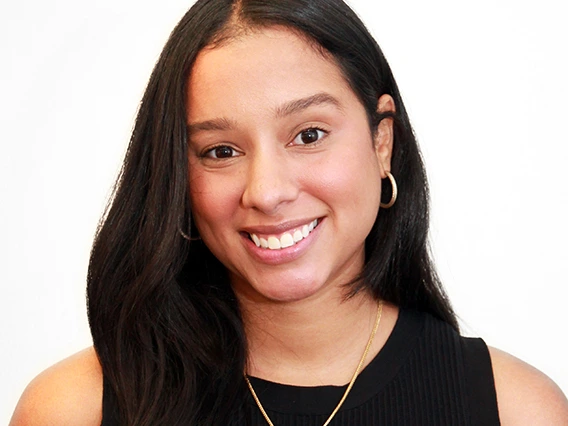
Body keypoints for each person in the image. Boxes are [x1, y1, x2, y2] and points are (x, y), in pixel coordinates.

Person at [10, 0, 568, 425]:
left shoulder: (516, 409)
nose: (267, 192)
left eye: (308, 134)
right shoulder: (73, 408)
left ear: (382, 143)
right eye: (220, 151)